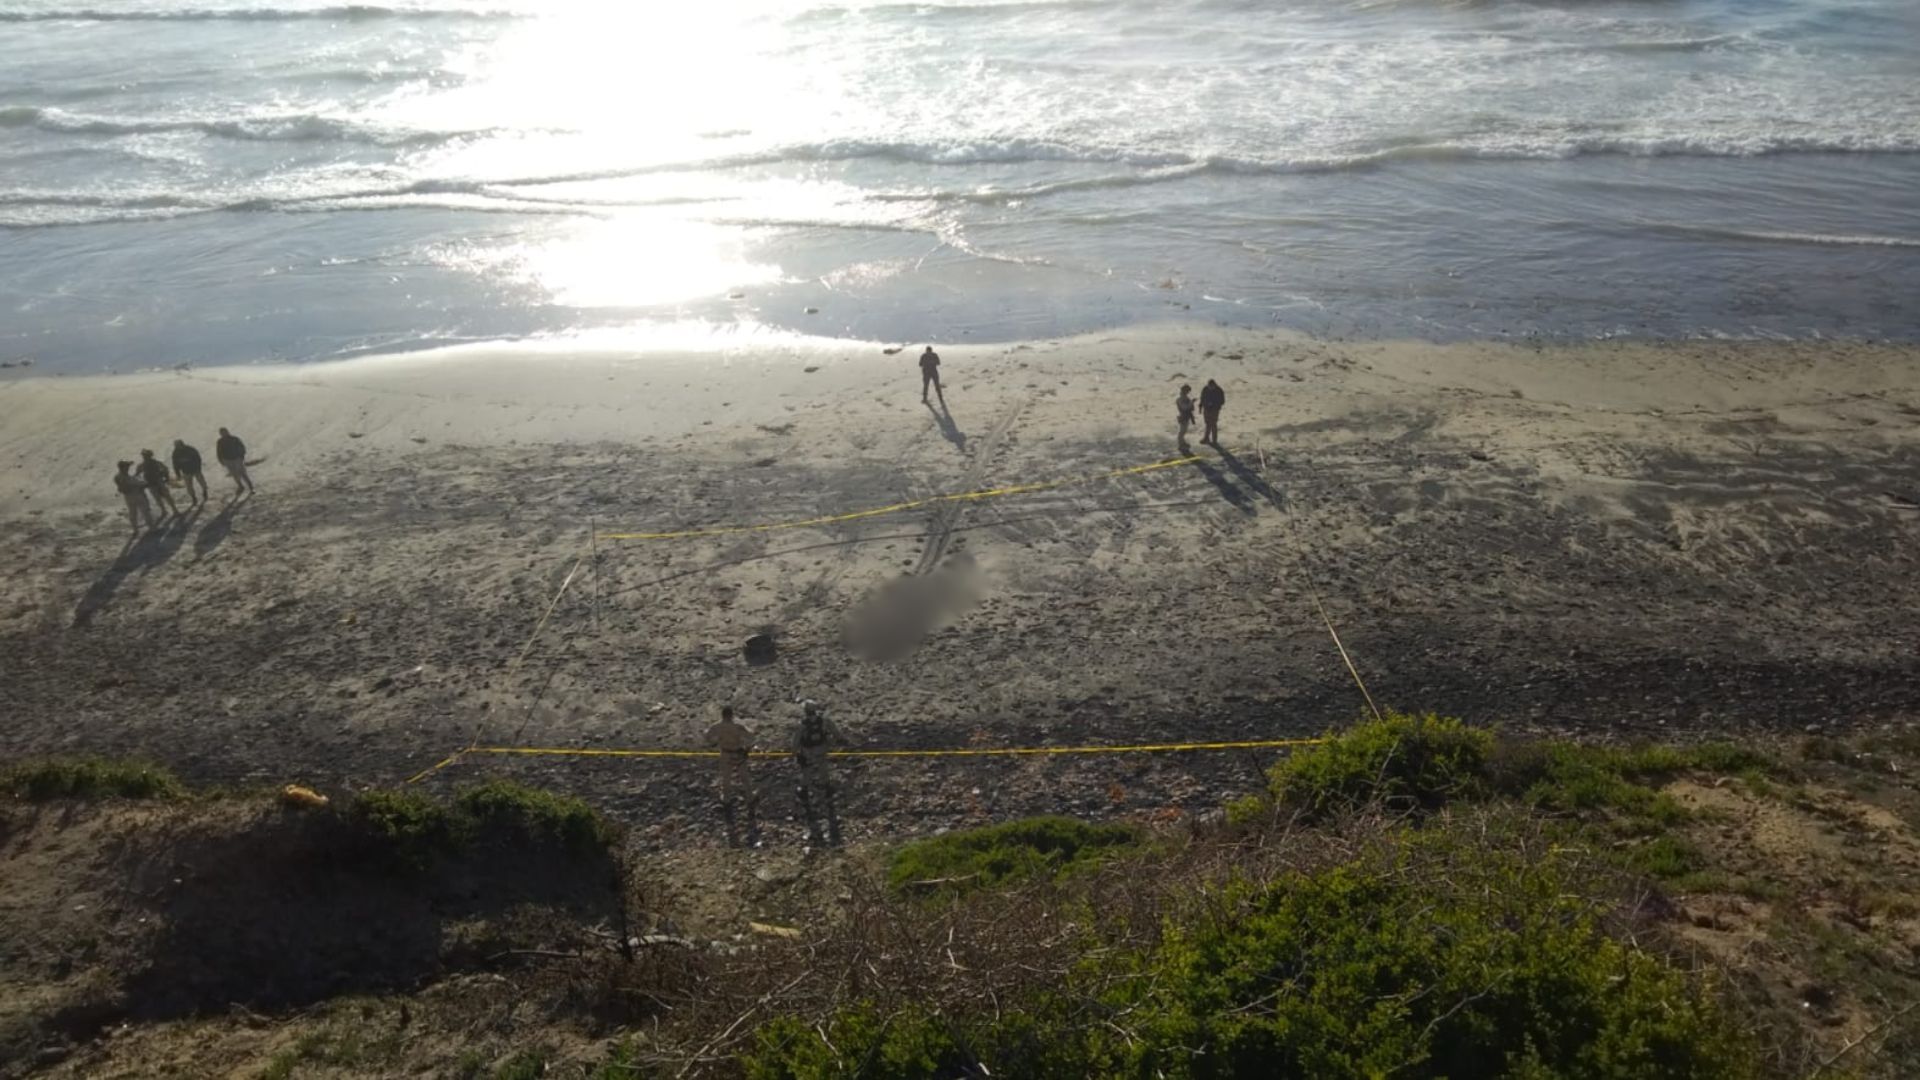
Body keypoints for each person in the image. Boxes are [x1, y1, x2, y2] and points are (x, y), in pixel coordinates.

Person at [705, 705, 761, 847]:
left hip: (725, 753)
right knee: (744, 777)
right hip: (738, 753)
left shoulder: (717, 726)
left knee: (726, 778)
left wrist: (715, 742)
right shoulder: (738, 726)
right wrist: (747, 748)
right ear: (732, 714)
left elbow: (707, 737)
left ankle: (727, 799)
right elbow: (751, 737)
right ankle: (749, 797)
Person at [792, 700, 841, 848]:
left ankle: (804, 791)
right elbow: (835, 731)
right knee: (823, 770)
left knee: (807, 773)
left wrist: (796, 753)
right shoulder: (823, 720)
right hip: (821, 749)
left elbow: (795, 741)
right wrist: (838, 740)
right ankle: (827, 789)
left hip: (808, 751)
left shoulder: (803, 724)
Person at [113, 460, 156, 534]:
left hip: (127, 497)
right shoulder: (126, 477)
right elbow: (136, 484)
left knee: (132, 513)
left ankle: (135, 530)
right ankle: (151, 528)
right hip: (136, 495)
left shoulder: (117, 476)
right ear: (123, 468)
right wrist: (144, 483)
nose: (128, 468)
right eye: (126, 467)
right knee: (145, 511)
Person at [137, 450, 178, 518]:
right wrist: (166, 477)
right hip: (155, 482)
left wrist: (166, 477)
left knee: (164, 497)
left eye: (145, 456)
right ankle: (169, 510)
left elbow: (165, 469)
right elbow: (165, 469)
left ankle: (170, 510)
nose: (145, 457)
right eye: (144, 456)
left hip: (156, 482)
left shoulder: (146, 464)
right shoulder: (152, 463)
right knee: (162, 497)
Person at [215, 426, 253, 497]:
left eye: (224, 432)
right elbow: (218, 452)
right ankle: (240, 485)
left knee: (242, 473)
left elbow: (242, 447)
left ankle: (250, 486)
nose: (223, 434)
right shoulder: (220, 442)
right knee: (234, 474)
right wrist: (221, 460)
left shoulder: (234, 439)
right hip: (227, 460)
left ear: (227, 432)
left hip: (237, 459)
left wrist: (241, 457)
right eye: (222, 433)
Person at [171, 438, 209, 507]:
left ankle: (204, 491)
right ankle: (193, 497)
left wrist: (198, 467)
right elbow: (175, 464)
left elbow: (197, 458)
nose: (177, 447)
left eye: (178, 445)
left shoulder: (190, 449)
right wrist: (178, 473)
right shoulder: (175, 453)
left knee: (201, 481)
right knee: (189, 486)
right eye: (176, 446)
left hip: (195, 469)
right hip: (186, 471)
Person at [1199, 378, 1226, 447]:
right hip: (1206, 409)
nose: (1210, 388)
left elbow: (1222, 401)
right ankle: (1206, 438)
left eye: (1211, 386)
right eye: (1209, 386)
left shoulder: (1219, 390)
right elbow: (1202, 398)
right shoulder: (1205, 389)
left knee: (1213, 424)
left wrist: (1213, 404)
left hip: (1214, 410)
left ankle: (1214, 440)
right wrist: (1201, 406)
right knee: (1207, 424)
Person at [1175, 384, 1196, 451]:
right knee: (1182, 431)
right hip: (1183, 416)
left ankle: (1183, 443)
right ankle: (1181, 444)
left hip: (1186, 415)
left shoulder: (1184, 397)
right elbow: (1184, 407)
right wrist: (1191, 402)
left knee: (1184, 430)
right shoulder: (1181, 399)